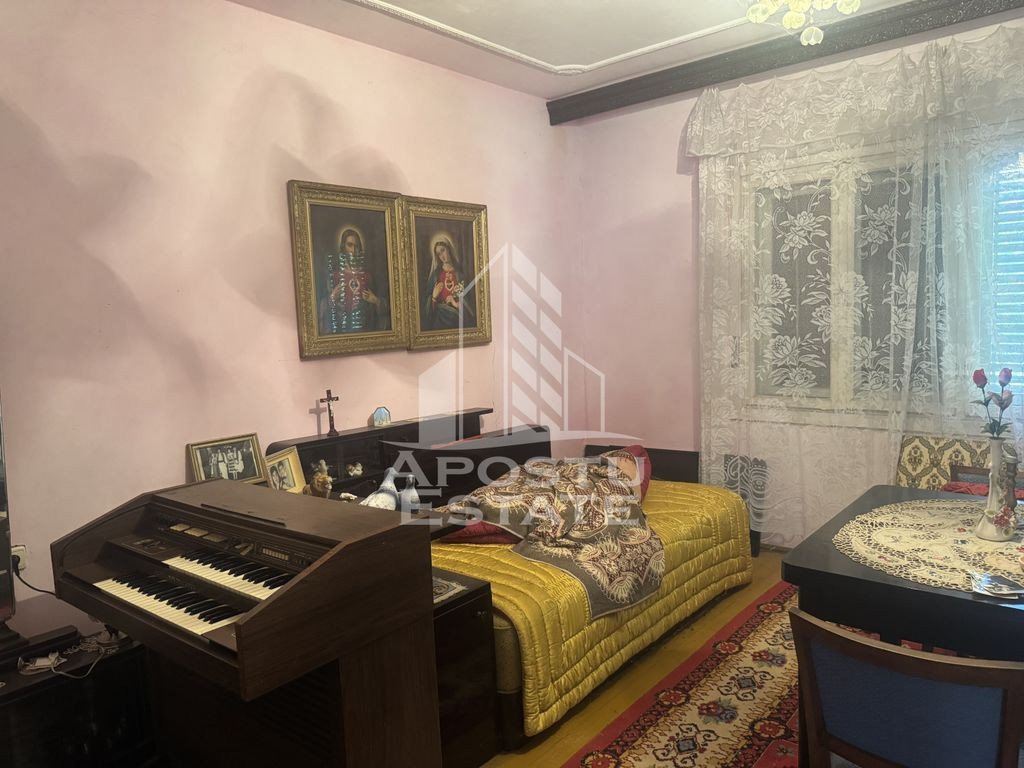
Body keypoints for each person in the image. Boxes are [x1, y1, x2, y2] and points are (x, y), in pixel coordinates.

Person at [318, 228, 391, 335]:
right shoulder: (335, 276)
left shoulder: (367, 276)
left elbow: (388, 307)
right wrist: (332, 298)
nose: (353, 250)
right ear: (343, 247)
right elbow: (320, 308)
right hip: (341, 331)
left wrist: (376, 301)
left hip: (365, 330)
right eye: (350, 245)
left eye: (356, 246)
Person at [422, 237, 476, 330]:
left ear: (449, 249)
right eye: (439, 254)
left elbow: (469, 304)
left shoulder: (460, 275)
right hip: (439, 320)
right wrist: (434, 297)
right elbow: (425, 308)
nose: (442, 256)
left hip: (458, 320)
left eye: (443, 250)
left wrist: (455, 303)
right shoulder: (436, 275)